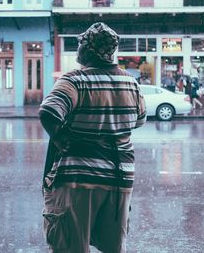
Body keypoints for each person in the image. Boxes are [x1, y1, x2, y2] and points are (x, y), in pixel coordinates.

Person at [39, 22, 147, 253]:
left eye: (80, 45)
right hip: (119, 180)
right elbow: (139, 120)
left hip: (79, 179)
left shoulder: (75, 80)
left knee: (70, 245)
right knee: (113, 247)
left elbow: (49, 112)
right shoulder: (131, 83)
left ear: (87, 50)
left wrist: (58, 136)